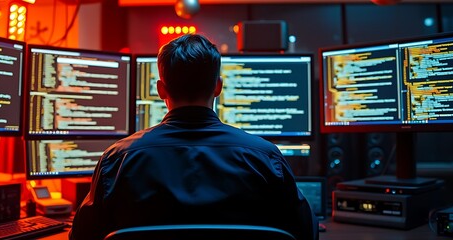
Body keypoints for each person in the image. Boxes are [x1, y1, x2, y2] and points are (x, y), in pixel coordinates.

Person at [69, 33, 318, 240]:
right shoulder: (265, 157)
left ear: (160, 89)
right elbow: (306, 233)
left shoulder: (118, 159)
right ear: (218, 87)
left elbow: (82, 237)